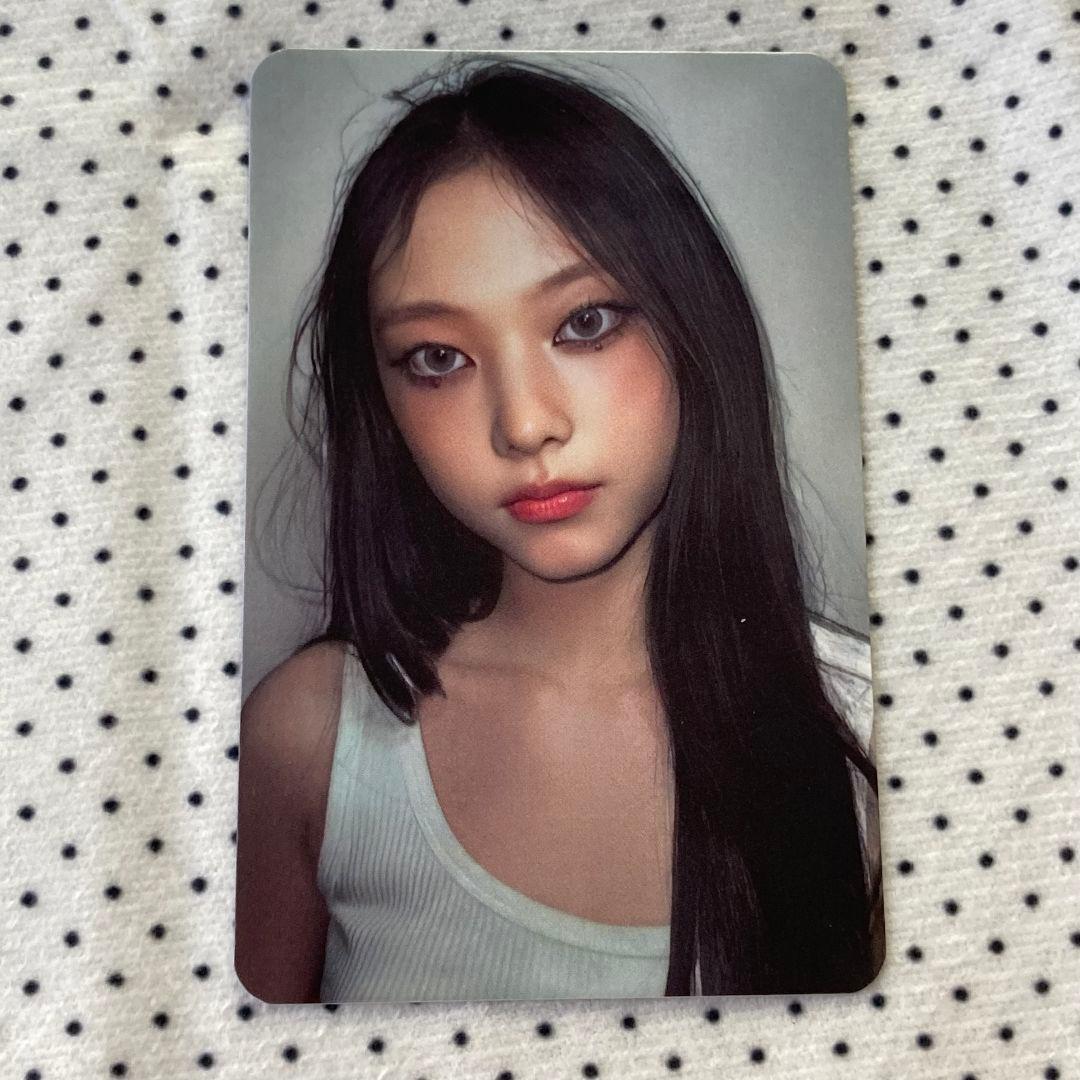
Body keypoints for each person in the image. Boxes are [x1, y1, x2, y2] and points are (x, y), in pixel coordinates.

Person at [234, 53, 884, 1005]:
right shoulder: (308, 740)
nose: (525, 425)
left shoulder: (871, 742)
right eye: (437, 357)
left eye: (584, 323)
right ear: (382, 403)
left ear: (692, 326)